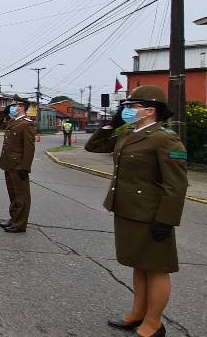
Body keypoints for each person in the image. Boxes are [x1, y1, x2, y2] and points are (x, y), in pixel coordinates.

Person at [85, 86, 187, 337]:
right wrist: (113, 122)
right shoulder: (130, 132)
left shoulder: (165, 138)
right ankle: (137, 313)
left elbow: (176, 184)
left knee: (156, 268)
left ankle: (154, 323)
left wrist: (166, 220)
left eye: (132, 107)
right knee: (138, 265)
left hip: (151, 214)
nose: (127, 110)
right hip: (128, 210)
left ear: (150, 110)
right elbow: (94, 146)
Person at [0, 96, 36, 233]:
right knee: (13, 194)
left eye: (16, 105)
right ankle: (14, 218)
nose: (13, 107)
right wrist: (3, 113)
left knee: (21, 195)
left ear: (23, 107)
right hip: (9, 163)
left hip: (19, 165)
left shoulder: (27, 124)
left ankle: (20, 224)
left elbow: (29, 148)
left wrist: (25, 167)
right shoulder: (13, 121)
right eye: (13, 105)